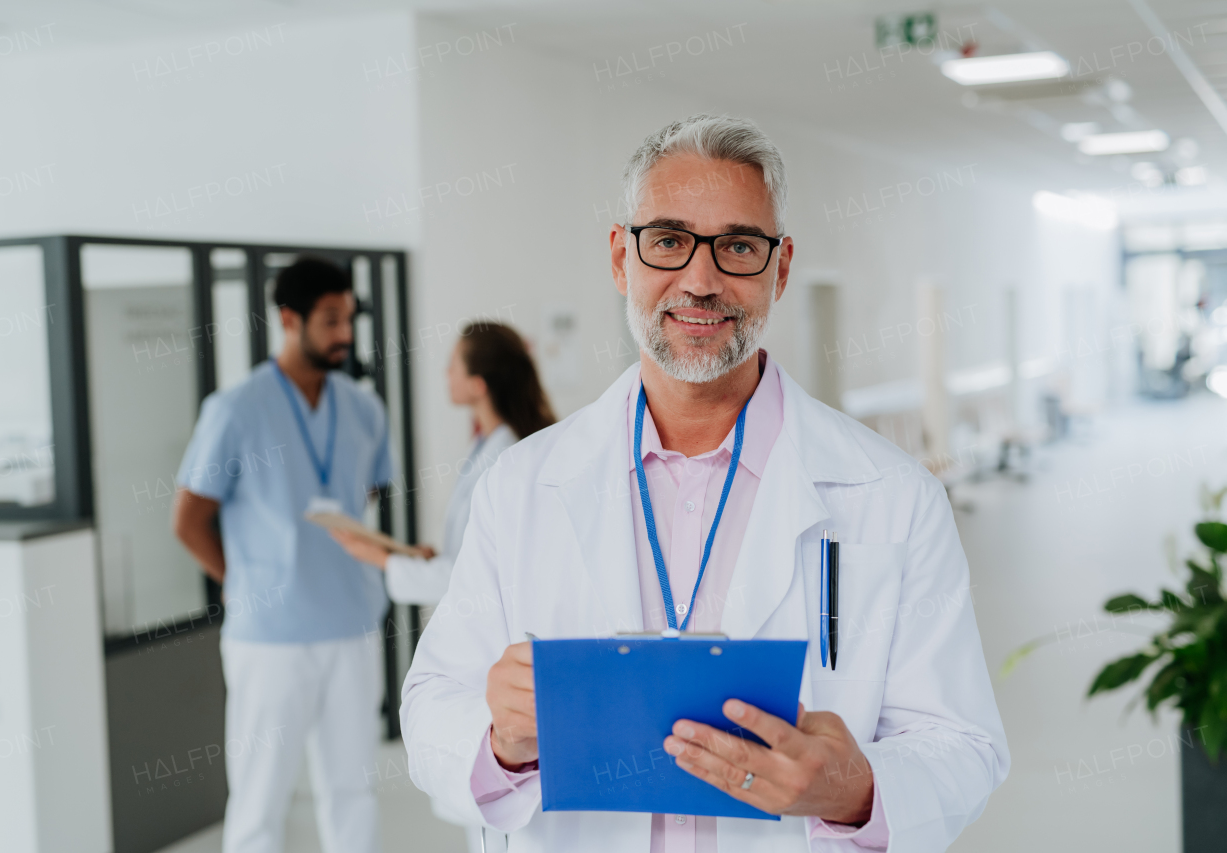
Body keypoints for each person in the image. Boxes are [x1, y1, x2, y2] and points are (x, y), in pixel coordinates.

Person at [400, 115, 1009, 853]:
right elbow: (433, 705)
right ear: (621, 257)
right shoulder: (523, 485)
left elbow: (965, 743)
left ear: (780, 269)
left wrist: (856, 787)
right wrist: (499, 739)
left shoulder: (893, 495)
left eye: (739, 247)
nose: (700, 280)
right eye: (668, 240)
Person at [172, 256, 394, 853]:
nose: (345, 335)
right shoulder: (236, 410)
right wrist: (241, 580)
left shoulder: (365, 409)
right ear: (288, 319)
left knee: (354, 790)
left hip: (352, 626)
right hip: (269, 638)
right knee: (259, 798)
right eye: (329, 320)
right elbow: (189, 521)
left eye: (348, 319)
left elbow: (363, 496)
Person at [331, 320, 555, 852]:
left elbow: (469, 577)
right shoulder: (488, 446)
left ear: (478, 383)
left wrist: (384, 561)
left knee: (505, 811)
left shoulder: (508, 456)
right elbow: (471, 559)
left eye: (452, 365)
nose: (444, 374)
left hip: (504, 661)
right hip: (479, 657)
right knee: (483, 795)